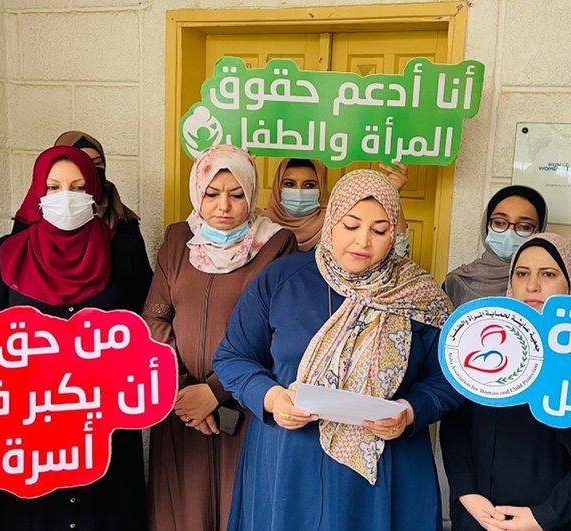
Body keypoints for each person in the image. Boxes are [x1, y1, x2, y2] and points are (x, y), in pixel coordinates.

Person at [213, 169, 462, 531]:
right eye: (351, 225)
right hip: (291, 462)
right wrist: (272, 399)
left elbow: (449, 379)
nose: (363, 241)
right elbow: (234, 357)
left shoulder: (418, 297)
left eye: (379, 230)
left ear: (393, 232)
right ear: (331, 222)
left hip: (386, 467)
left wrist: (409, 412)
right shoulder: (283, 279)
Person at [0, 145, 150, 530]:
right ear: (37, 194)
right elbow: (2, 325)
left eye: (77, 187)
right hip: (30, 418)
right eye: (54, 187)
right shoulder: (5, 254)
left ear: (94, 191)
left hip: (104, 414)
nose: (66, 198)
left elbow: (136, 323)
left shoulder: (122, 250)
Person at [143, 145, 297, 531]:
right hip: (178, 406)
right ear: (198, 193)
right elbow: (156, 317)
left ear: (252, 193)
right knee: (183, 508)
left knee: (239, 506)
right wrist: (182, 392)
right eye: (212, 193)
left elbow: (275, 334)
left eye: (237, 194)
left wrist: (214, 392)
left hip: (243, 403)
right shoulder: (179, 239)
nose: (223, 206)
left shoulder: (277, 245)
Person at [443, 232, 571, 531]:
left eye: (549, 274)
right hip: (479, 515)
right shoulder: (483, 340)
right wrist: (466, 492)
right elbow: (456, 424)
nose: (532, 286)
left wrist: (547, 515)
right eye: (522, 273)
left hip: (549, 522)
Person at [443, 186, 547, 307]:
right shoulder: (457, 281)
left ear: (539, 232)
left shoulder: (543, 286)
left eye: (524, 226)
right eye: (499, 223)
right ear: (486, 226)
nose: (509, 233)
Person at [53, 130, 141, 231]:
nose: (92, 170)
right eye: (84, 163)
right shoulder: (46, 214)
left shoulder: (122, 219)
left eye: (97, 163)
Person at [263, 158, 329, 252]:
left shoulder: (332, 228)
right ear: (277, 189)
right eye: (289, 184)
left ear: (321, 189)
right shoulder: (261, 228)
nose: (299, 192)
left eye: (309, 185)